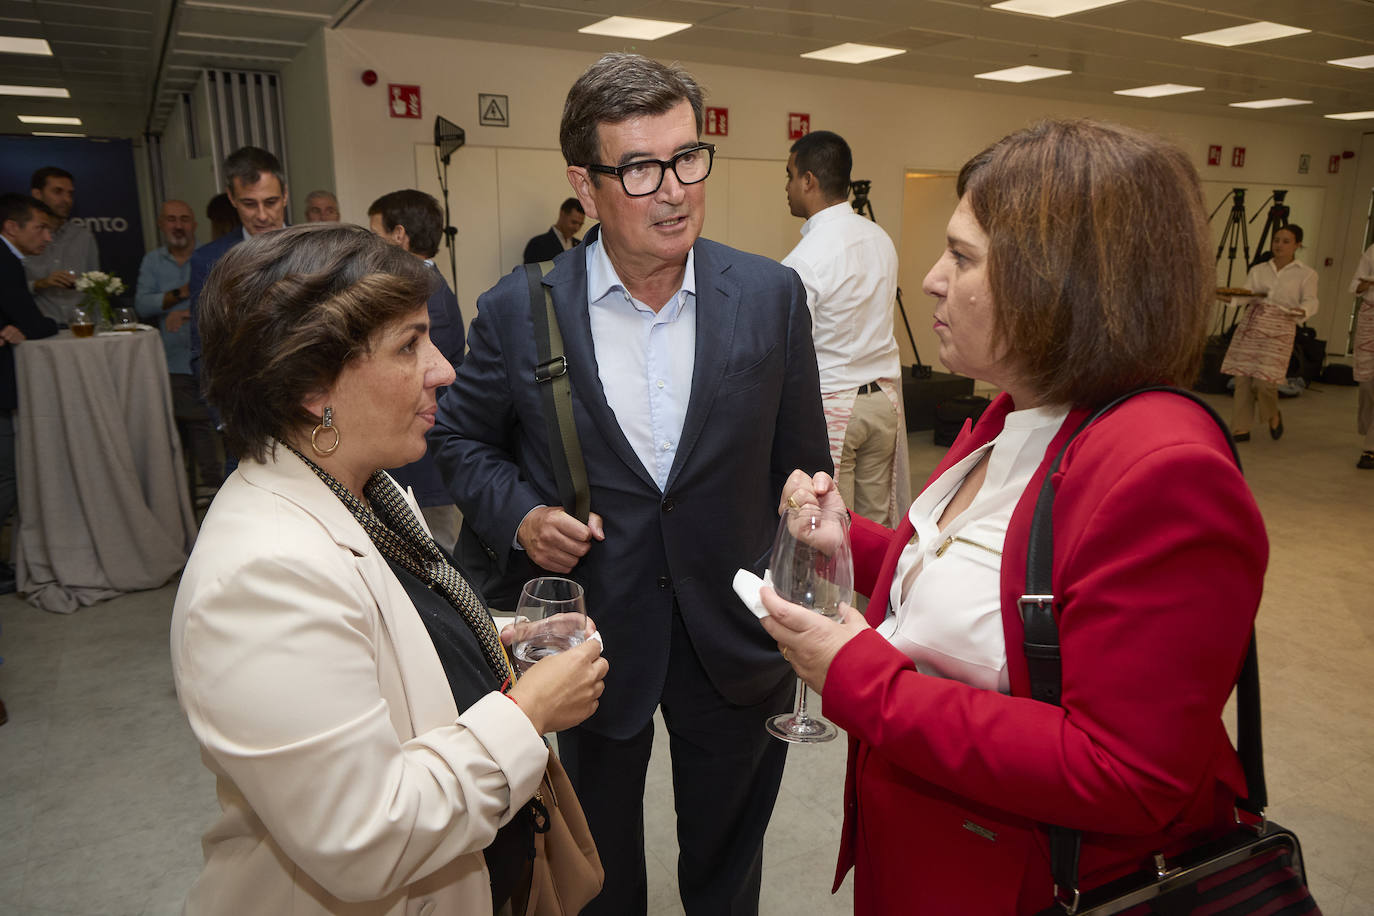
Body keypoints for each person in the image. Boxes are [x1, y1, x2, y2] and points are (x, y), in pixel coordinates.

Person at [760, 120, 1268, 915]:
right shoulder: (1013, 414)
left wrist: (860, 678)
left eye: (962, 257)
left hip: (1021, 883)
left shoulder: (1167, 471)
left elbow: (1128, 775)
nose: (931, 279)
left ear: (1060, 283)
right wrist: (848, 545)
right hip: (928, 851)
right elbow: (998, 587)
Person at [432, 52, 831, 916]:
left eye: (689, 158)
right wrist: (525, 513)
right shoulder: (520, 307)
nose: (675, 189)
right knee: (596, 868)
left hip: (732, 633)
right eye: (641, 168)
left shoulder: (770, 296)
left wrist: (812, 508)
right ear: (585, 179)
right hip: (588, 640)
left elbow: (803, 460)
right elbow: (460, 441)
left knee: (728, 867)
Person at [172, 223, 609, 916]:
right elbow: (364, 837)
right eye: (410, 345)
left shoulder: (359, 488)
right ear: (315, 385)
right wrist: (528, 714)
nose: (443, 369)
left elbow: (381, 630)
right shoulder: (263, 578)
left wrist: (492, 639)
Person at [782, 129, 908, 526]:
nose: (785, 188)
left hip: (836, 405)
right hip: (884, 403)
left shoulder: (804, 260)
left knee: (834, 525)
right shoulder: (880, 238)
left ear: (808, 181)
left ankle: (838, 592)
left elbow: (795, 351)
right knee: (876, 526)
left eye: (789, 176)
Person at [367, 188, 466, 551]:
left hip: (426, 450)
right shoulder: (422, 287)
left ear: (399, 235)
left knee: (436, 550)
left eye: (376, 234)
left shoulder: (425, 294)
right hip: (420, 449)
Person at [135, 199, 221, 499]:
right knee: (183, 427)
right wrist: (181, 294)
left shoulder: (209, 256)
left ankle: (211, 488)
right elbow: (142, 305)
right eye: (171, 219)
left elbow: (223, 302)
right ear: (161, 224)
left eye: (184, 219)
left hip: (209, 361)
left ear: (194, 224)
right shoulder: (152, 261)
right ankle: (192, 491)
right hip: (170, 365)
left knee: (202, 422)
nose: (178, 225)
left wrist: (186, 312)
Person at [0, 194, 62, 594]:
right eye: (39, 228)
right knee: (4, 475)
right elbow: (33, 324)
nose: (47, 236)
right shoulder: (5, 261)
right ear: (12, 227)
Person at [188, 146, 289, 386]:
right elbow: (202, 350)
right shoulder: (209, 261)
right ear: (232, 199)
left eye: (271, 202)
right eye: (249, 204)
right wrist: (223, 421)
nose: (263, 216)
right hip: (245, 407)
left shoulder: (319, 249)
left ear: (285, 194)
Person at [1220, 224, 1318, 442]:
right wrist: (1230, 298)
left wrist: (1303, 310)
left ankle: (1272, 413)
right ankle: (1241, 428)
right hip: (1252, 326)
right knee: (1243, 379)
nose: (1279, 245)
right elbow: (1248, 295)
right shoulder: (1259, 269)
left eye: (1285, 241)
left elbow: (1311, 300)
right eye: (1276, 240)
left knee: (1265, 382)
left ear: (1297, 245)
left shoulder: (1307, 274)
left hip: (1281, 327)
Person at [23, 166, 100, 324]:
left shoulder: (83, 237)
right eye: (57, 192)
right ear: (37, 195)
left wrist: (101, 326)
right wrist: (40, 284)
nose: (66, 200)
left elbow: (95, 289)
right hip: (37, 331)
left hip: (81, 329)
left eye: (70, 194)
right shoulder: (21, 237)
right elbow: (7, 291)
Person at [1349, 242, 1374, 469]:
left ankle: (1370, 449)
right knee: (1366, 385)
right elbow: (1355, 284)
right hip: (1369, 317)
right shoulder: (1373, 250)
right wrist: (1365, 284)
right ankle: (1368, 431)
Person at [522, 197, 584, 263]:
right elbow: (531, 272)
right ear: (562, 214)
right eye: (574, 222)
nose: (577, 228)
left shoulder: (580, 246)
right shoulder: (537, 244)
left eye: (580, 224)